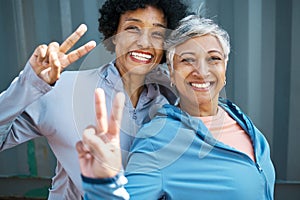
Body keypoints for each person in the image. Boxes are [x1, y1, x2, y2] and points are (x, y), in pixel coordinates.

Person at [0, 0, 189, 199]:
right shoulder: (62, 90)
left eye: (157, 33)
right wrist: (29, 85)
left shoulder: (171, 103)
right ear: (113, 35)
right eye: (132, 28)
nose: (144, 42)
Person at [77, 15, 276, 199]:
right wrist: (102, 184)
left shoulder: (237, 117)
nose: (201, 71)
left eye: (214, 58)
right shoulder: (158, 141)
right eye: (187, 60)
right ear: (172, 74)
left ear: (224, 68)